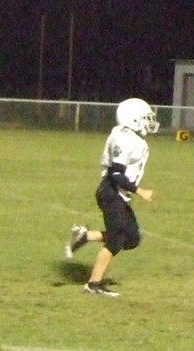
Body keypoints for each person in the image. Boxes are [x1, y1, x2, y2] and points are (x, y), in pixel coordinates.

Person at [64, 97, 158, 297]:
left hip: (119, 194)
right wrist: (140, 191)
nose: (148, 121)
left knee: (132, 238)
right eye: (144, 118)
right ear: (132, 119)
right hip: (111, 191)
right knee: (116, 240)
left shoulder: (131, 137)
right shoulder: (124, 138)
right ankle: (93, 284)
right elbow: (116, 174)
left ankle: (85, 236)